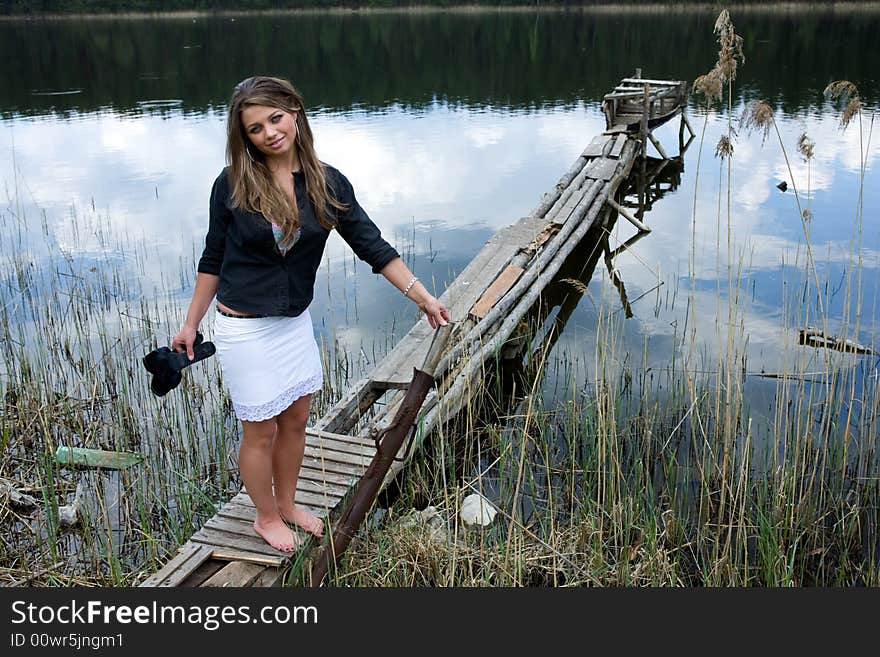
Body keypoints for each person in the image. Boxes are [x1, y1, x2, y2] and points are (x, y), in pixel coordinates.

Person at [172, 76, 449, 552]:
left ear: (295, 113)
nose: (269, 133)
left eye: (275, 119)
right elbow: (213, 257)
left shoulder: (326, 181)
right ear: (245, 137)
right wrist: (190, 322)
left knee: (298, 418)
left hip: (293, 323)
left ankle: (288, 502)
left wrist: (421, 295)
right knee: (259, 430)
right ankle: (264, 516)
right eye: (255, 128)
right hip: (244, 328)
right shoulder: (234, 183)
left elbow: (371, 244)